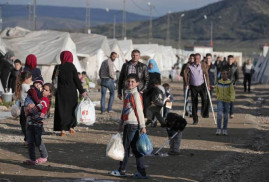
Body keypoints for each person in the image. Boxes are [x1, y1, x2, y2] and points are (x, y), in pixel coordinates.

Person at [110, 74, 148, 179]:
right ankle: (142, 172)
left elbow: (139, 111)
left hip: (132, 125)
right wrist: (121, 123)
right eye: (128, 81)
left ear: (137, 83)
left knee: (125, 148)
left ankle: (121, 170)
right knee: (136, 150)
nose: (130, 83)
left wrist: (143, 126)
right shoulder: (128, 94)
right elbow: (124, 110)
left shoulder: (135, 95)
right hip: (129, 124)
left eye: (132, 82)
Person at [53, 51, 87, 136]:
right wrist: (82, 91)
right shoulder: (72, 66)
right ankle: (71, 127)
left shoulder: (58, 67)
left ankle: (63, 130)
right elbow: (76, 80)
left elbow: (53, 79)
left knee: (62, 110)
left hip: (61, 92)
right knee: (71, 109)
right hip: (71, 92)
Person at [23, 83, 55, 165]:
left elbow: (38, 108)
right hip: (31, 123)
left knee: (38, 141)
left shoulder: (45, 100)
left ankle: (44, 156)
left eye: (46, 90)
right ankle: (32, 159)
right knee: (30, 142)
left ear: (49, 93)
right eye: (43, 88)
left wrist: (29, 110)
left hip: (37, 124)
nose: (43, 90)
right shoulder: (41, 99)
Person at [184, 53, 210, 125]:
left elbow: (206, 75)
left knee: (205, 99)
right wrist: (187, 83)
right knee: (194, 103)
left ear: (200, 59)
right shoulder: (189, 66)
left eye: (198, 59)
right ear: (194, 59)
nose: (196, 60)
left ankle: (203, 111)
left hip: (201, 85)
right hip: (193, 87)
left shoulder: (203, 65)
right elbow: (185, 73)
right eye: (195, 59)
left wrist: (208, 84)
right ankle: (195, 119)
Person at [14, 71, 32, 146]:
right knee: (28, 124)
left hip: (22, 107)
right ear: (26, 79)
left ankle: (27, 140)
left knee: (23, 124)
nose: (31, 80)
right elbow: (32, 94)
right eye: (30, 79)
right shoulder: (26, 86)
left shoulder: (21, 85)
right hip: (27, 107)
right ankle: (28, 140)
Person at [215, 68, 235, 136]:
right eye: (223, 74)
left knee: (226, 116)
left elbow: (232, 92)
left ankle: (225, 129)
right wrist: (217, 97)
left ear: (227, 75)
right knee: (219, 115)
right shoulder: (219, 82)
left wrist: (231, 99)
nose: (224, 75)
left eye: (226, 74)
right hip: (220, 100)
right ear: (221, 74)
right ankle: (218, 129)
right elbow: (217, 90)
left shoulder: (230, 83)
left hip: (227, 101)